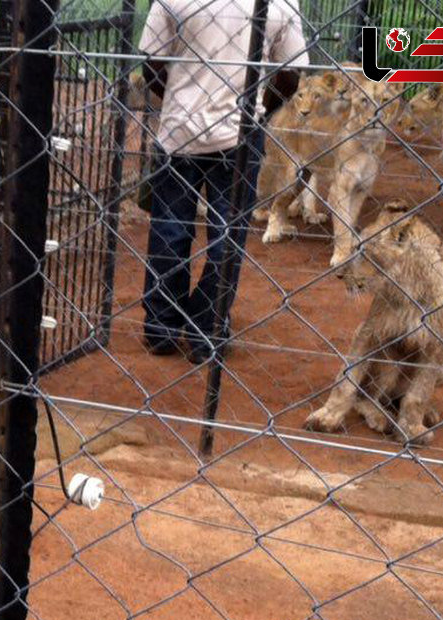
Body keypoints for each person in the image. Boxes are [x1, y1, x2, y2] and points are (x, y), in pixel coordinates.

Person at [138, 0, 307, 363]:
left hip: (178, 131)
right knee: (226, 236)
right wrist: (254, 111)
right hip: (240, 134)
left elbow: (151, 65)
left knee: (170, 228)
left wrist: (183, 101)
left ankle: (162, 327)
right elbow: (291, 76)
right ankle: (206, 328)